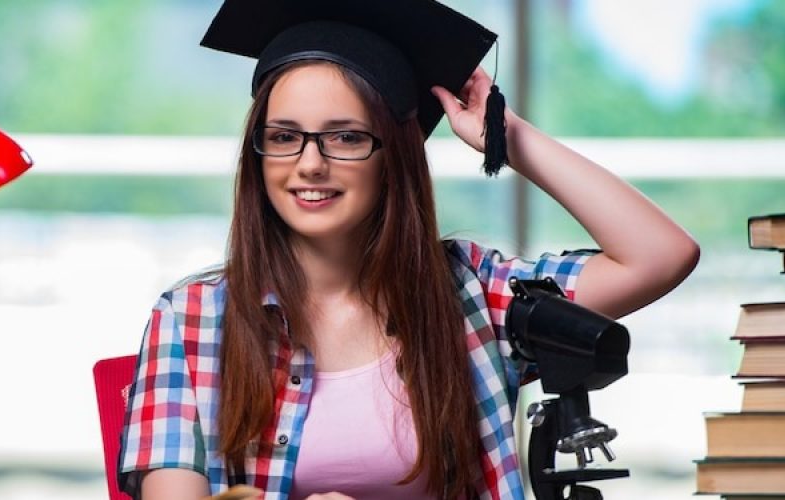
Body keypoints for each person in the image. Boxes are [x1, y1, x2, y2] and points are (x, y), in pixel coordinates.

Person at [116, 1, 700, 499]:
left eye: (346, 137)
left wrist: (507, 135)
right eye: (285, 137)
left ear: (392, 157)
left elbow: (660, 255)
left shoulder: (473, 294)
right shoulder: (194, 319)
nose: (310, 163)